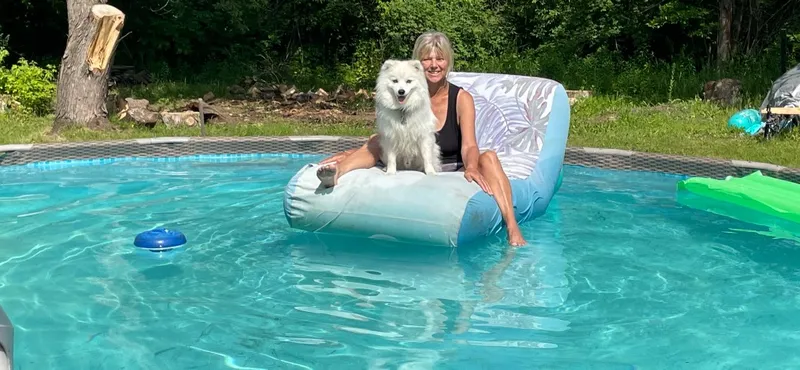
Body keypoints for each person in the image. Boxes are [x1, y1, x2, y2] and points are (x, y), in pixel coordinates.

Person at [315, 31, 527, 246]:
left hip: (446, 165)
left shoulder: (461, 98)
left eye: (440, 58)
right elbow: (389, 136)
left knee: (489, 157)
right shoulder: (401, 94)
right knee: (376, 141)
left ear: (448, 62)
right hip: (407, 158)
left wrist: (471, 166)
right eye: (427, 59)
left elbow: (470, 145)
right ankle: (336, 172)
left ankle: (512, 227)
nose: (434, 65)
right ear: (418, 63)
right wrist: (352, 152)